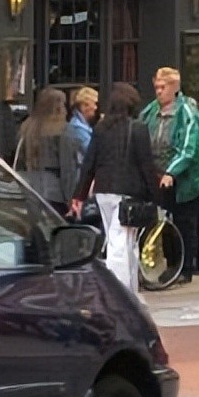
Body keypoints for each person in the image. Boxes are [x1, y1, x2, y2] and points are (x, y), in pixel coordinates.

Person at [72, 82, 159, 295]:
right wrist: (156, 196)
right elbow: (146, 165)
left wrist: (79, 195)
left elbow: (89, 162)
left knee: (118, 240)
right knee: (123, 244)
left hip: (103, 191)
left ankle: (129, 291)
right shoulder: (138, 128)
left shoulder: (101, 128)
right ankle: (120, 294)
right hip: (129, 192)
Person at [140, 67, 199, 284]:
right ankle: (170, 266)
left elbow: (189, 149)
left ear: (174, 88)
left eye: (163, 88)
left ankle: (185, 268)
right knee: (161, 224)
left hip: (184, 181)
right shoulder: (149, 112)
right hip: (157, 177)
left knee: (184, 224)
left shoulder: (188, 112)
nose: (158, 92)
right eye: (157, 88)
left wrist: (171, 172)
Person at [14, 87, 82, 215]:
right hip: (55, 193)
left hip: (28, 189)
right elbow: (68, 169)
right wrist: (71, 199)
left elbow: (18, 161)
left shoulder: (26, 128)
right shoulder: (63, 130)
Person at [66, 85, 99, 167]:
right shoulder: (77, 129)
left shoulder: (82, 126)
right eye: (94, 104)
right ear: (84, 106)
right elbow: (94, 151)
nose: (96, 108)